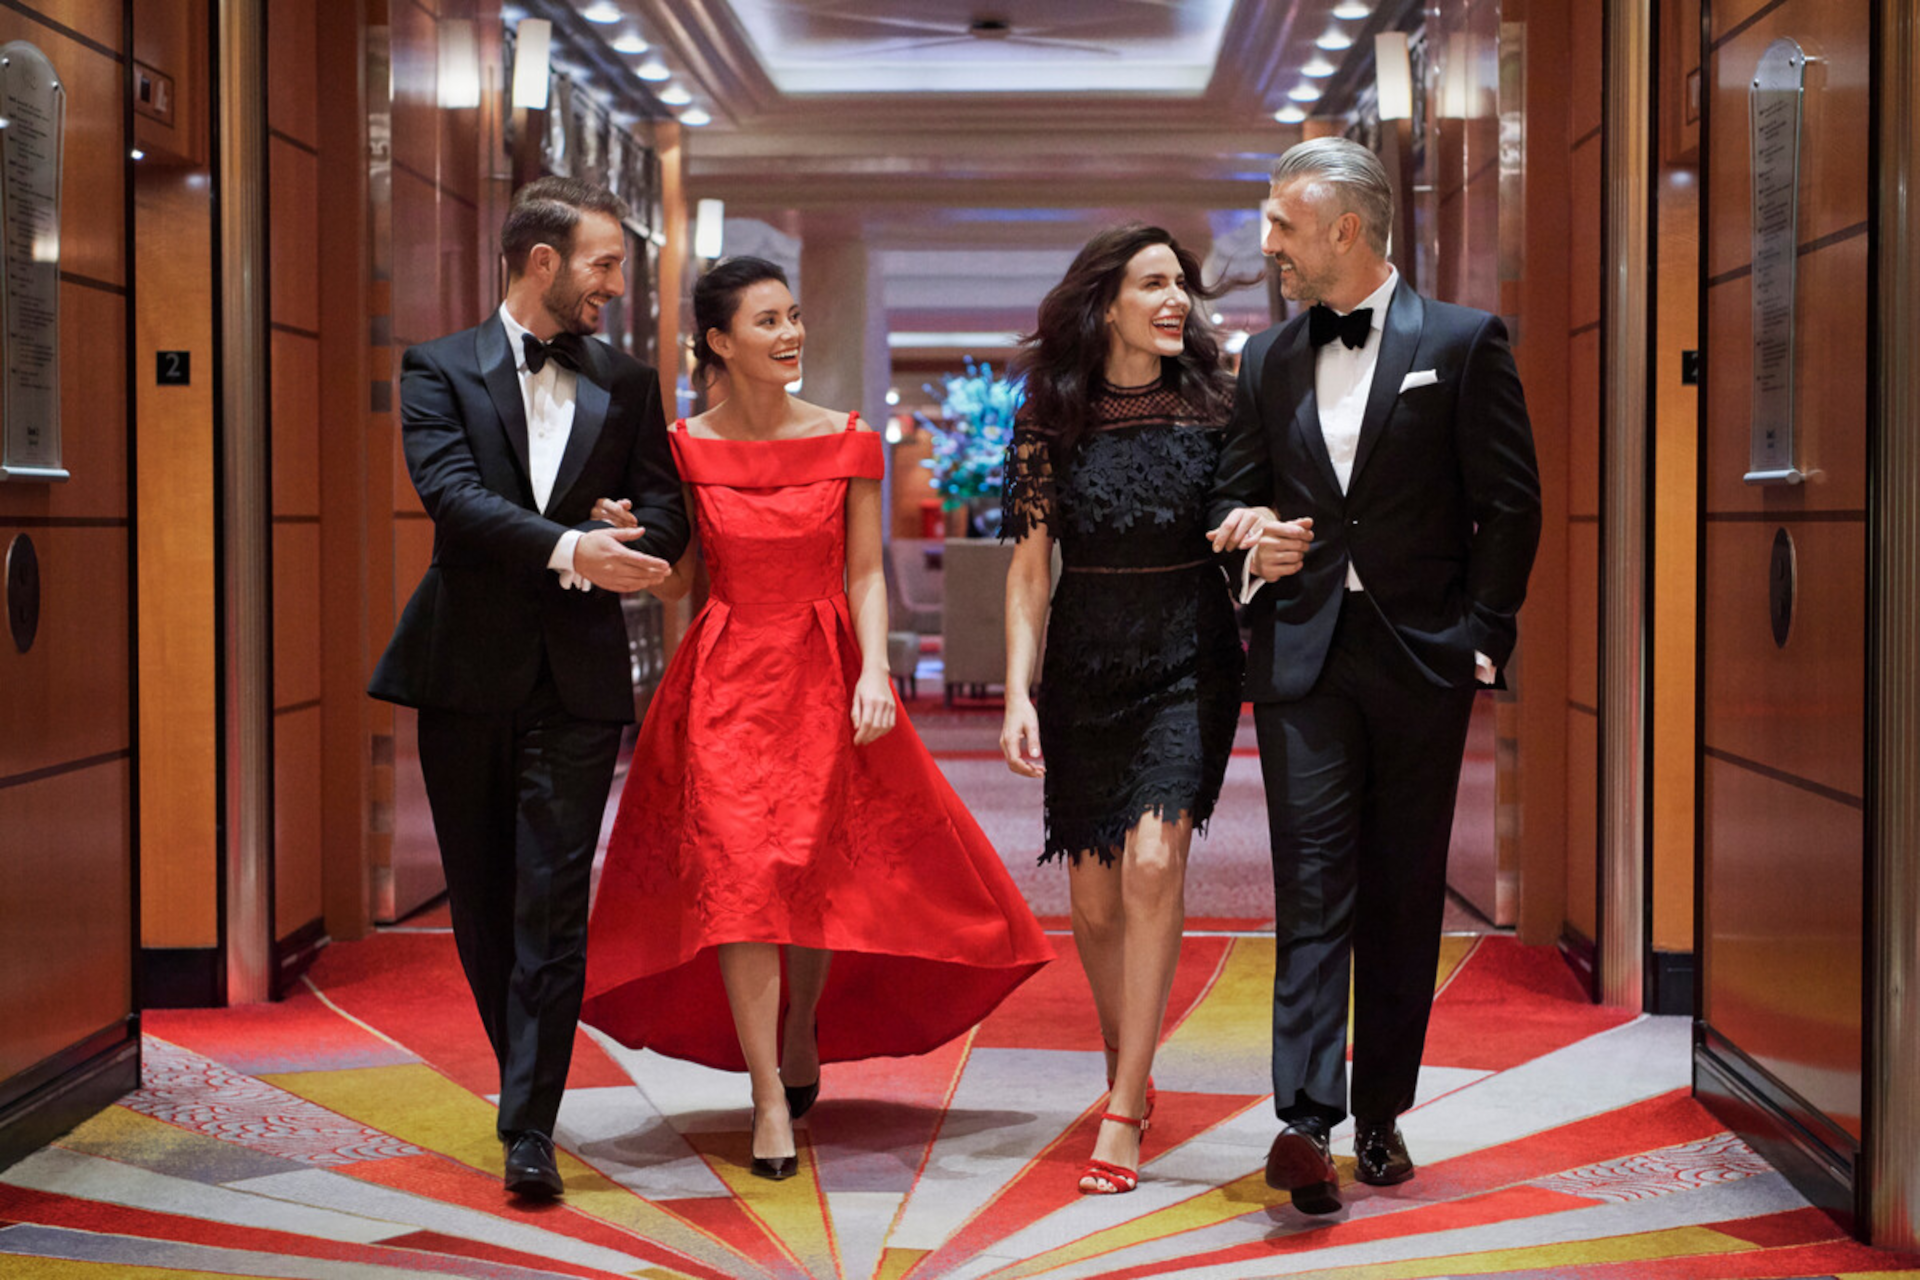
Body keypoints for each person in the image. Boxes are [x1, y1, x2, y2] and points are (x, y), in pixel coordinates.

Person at [580, 256, 1053, 1182]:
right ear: (720, 342)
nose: (791, 333)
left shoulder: (848, 438)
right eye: (768, 321)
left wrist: (874, 669)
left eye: (794, 316)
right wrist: (631, 543)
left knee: (806, 869)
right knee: (739, 879)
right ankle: (767, 1094)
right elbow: (680, 583)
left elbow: (866, 572)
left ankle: (800, 1028)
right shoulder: (683, 447)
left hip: (824, 671)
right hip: (723, 680)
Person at [1209, 137, 1542, 1214]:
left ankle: (1382, 1115)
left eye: (1283, 224)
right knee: (1312, 885)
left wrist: (1483, 635)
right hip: (1302, 654)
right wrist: (1249, 532)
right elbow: (1231, 494)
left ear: (1346, 228)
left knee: (1401, 892)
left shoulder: (1464, 341)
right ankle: (1305, 1124)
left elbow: (1511, 503)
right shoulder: (1266, 357)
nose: (1269, 244)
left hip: (1420, 656)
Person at [367, 177, 690, 1199]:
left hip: (577, 678)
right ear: (542, 260)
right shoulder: (437, 368)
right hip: (463, 668)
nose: (615, 287)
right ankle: (525, 1081)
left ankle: (529, 1125)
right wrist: (572, 546)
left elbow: (669, 513)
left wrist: (632, 533)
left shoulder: (626, 381)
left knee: (553, 899)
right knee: (482, 900)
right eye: (604, 265)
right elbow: (454, 498)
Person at [1000, 225, 1247, 1196]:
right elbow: (1030, 570)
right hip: (1085, 664)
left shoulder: (1216, 405)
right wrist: (1017, 690)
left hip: (1190, 655)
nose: (1176, 297)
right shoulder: (1051, 416)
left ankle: (1125, 1103)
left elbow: (1242, 523)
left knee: (1152, 864)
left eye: (1181, 283)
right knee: (1095, 902)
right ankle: (1125, 1061)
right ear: (1107, 303)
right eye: (1154, 283)